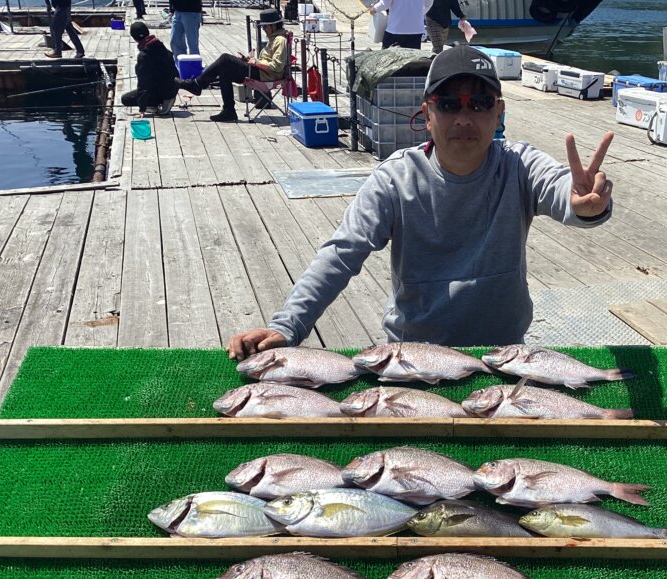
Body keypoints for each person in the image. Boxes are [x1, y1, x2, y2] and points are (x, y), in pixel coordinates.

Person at [227, 46, 614, 360]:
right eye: (449, 104)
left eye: (479, 103)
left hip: (503, 354)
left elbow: (566, 193)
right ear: (427, 114)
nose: (464, 117)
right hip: (412, 356)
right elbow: (341, 254)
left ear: (499, 112)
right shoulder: (394, 179)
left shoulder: (519, 164)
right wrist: (287, 325)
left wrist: (584, 205)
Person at [175, 8, 288, 122]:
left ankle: (197, 84)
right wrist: (248, 59)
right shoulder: (273, 39)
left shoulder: (280, 40)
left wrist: (256, 62)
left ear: (273, 26)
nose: (263, 29)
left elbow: (277, 67)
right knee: (225, 71)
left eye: (265, 26)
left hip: (266, 75)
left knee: (225, 59)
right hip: (261, 71)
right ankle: (229, 111)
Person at [121, 22, 178, 115]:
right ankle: (165, 99)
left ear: (134, 38)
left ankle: (153, 104)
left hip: (162, 91)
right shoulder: (161, 46)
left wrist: (142, 108)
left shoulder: (143, 56)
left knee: (125, 99)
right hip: (173, 88)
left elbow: (143, 83)